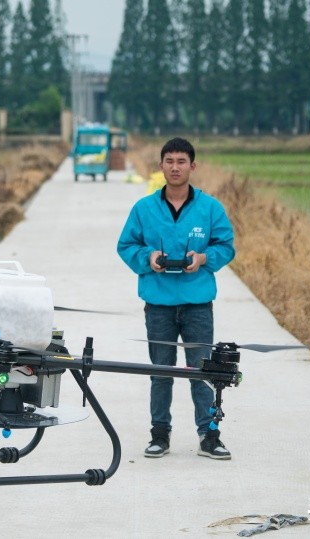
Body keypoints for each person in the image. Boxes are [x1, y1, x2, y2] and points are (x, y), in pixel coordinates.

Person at [117, 137, 236, 460]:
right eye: (169, 161)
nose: (175, 167)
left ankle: (209, 435)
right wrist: (148, 257)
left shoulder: (210, 208)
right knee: (161, 371)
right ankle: (160, 434)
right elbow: (125, 246)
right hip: (158, 305)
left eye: (181, 161)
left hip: (197, 304)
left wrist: (203, 258)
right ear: (161, 166)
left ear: (192, 166)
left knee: (202, 372)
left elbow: (226, 246)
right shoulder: (144, 208)